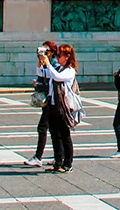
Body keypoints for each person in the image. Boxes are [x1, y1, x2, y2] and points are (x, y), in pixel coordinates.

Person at [39, 44, 78, 173]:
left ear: (67, 57)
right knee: (55, 134)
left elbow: (57, 77)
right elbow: (45, 74)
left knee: (65, 134)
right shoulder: (60, 68)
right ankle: (58, 161)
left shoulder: (69, 70)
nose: (58, 57)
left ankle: (68, 163)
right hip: (53, 104)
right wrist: (42, 62)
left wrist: (49, 65)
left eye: (59, 55)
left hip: (64, 106)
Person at [26, 41, 58, 167]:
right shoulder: (44, 64)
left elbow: (52, 83)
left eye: (46, 51)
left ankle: (39, 157)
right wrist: (40, 63)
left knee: (43, 127)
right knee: (53, 129)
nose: (44, 53)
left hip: (53, 100)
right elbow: (41, 77)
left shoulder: (54, 64)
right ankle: (58, 157)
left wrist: (39, 85)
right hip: (48, 100)